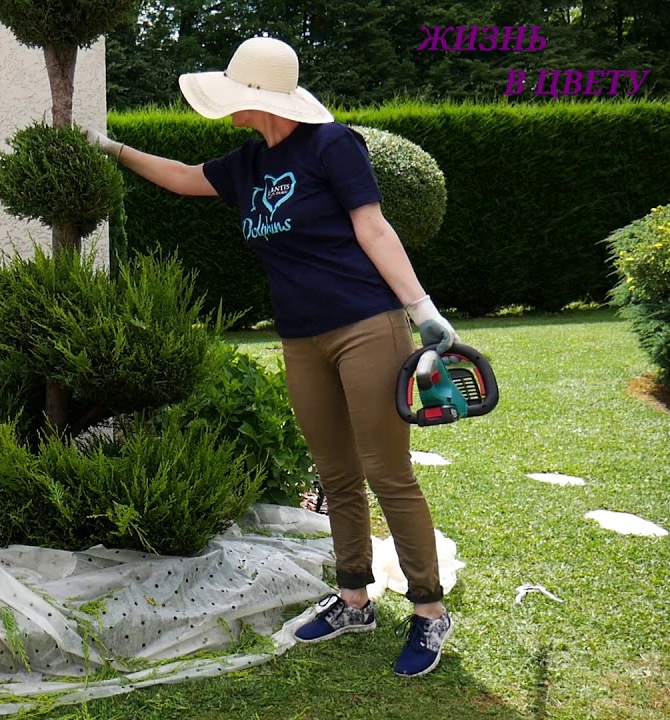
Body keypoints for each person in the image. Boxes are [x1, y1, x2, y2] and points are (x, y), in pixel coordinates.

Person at [84, 36, 458, 678]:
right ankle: (353, 600)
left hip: (366, 325)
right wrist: (110, 148)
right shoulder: (247, 163)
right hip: (300, 338)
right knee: (335, 472)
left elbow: (372, 227)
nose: (225, 107)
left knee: (386, 471)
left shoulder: (334, 146)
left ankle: (429, 612)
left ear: (258, 98)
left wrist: (421, 310)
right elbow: (181, 178)